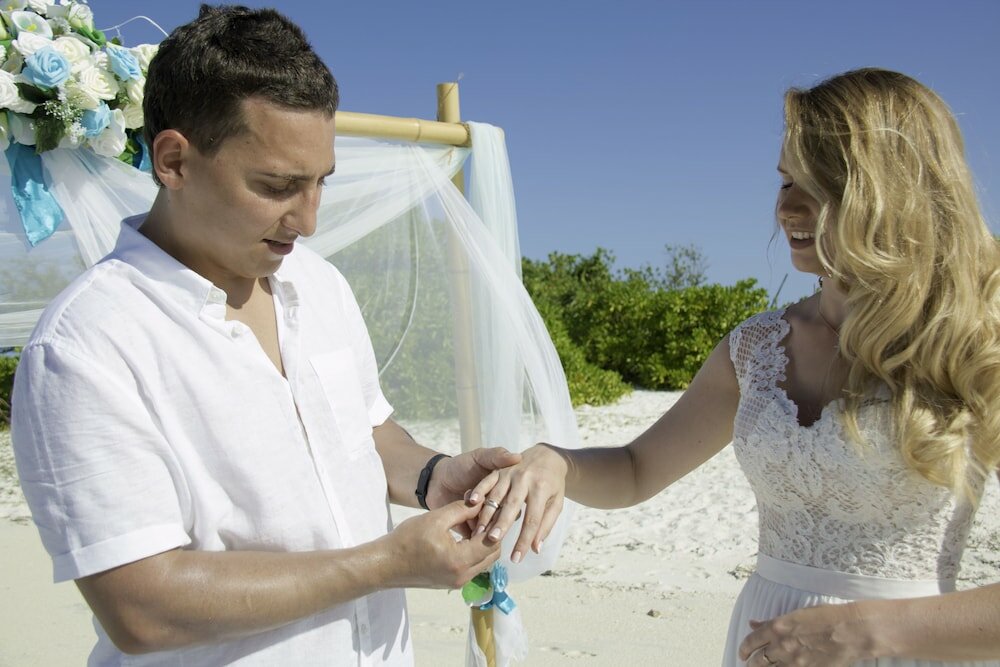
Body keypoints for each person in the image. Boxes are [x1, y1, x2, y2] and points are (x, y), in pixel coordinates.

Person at [10, 5, 523, 665]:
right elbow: (140, 605)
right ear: (173, 160)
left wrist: (434, 475)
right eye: (278, 185)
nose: (307, 221)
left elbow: (369, 433)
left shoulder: (321, 284)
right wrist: (386, 562)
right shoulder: (85, 346)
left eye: (319, 184)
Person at [475, 68, 1000, 666]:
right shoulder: (757, 345)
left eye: (819, 184)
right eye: (783, 182)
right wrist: (557, 462)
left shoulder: (977, 343)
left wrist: (872, 631)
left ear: (895, 192)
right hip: (764, 647)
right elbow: (636, 468)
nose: (788, 208)